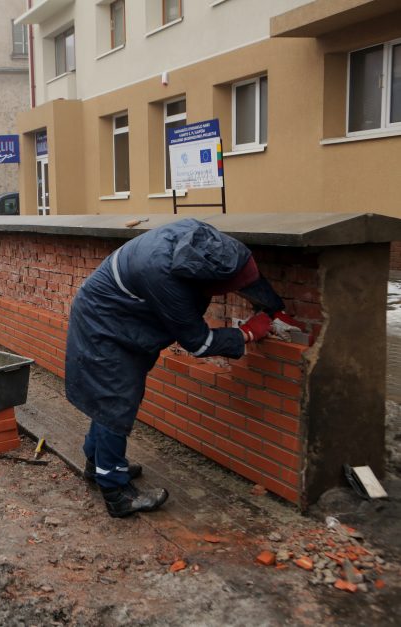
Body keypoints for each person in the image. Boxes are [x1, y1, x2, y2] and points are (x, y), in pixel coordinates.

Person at [66, 218, 294, 518]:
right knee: (115, 401)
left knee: (112, 400)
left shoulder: (204, 243)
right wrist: (248, 332)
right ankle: (116, 493)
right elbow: (197, 343)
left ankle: (99, 466)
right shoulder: (164, 277)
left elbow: (244, 273)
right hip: (104, 324)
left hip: (116, 314)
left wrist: (274, 308)